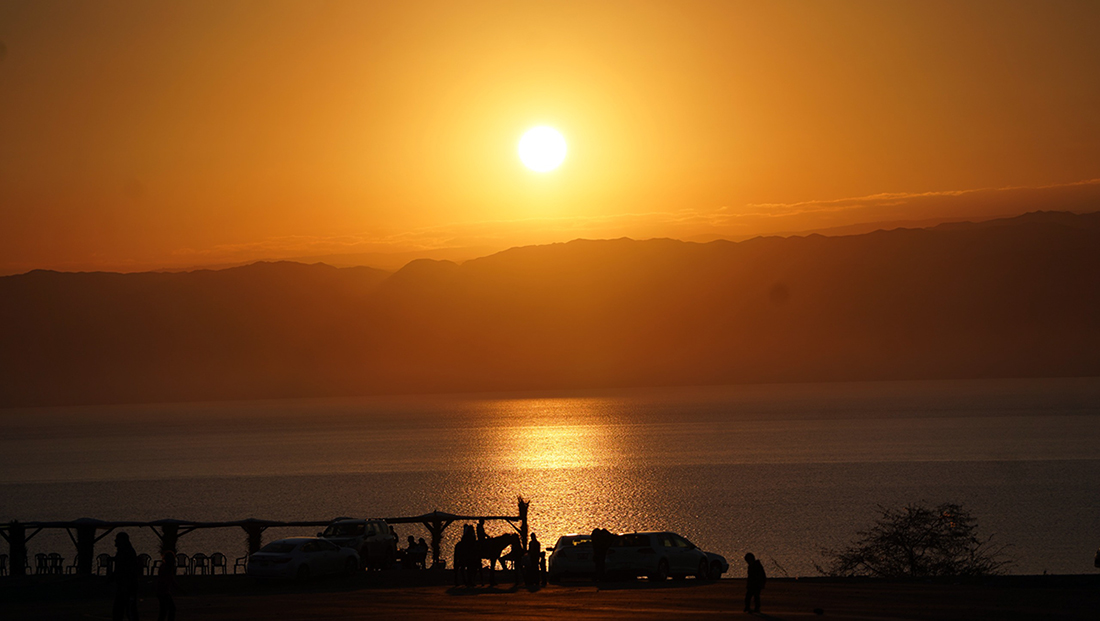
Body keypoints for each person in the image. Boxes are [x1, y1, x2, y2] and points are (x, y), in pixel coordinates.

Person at [111, 532, 141, 621]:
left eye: (117, 539)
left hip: (127, 586)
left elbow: (124, 569)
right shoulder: (125, 551)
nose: (115, 541)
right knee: (123, 609)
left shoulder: (126, 552)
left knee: (129, 610)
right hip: (124, 585)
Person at [155, 550, 176, 621]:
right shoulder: (166, 568)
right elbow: (167, 579)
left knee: (164, 611)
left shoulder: (164, 567)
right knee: (170, 609)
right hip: (163, 592)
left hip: (162, 591)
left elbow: (171, 579)